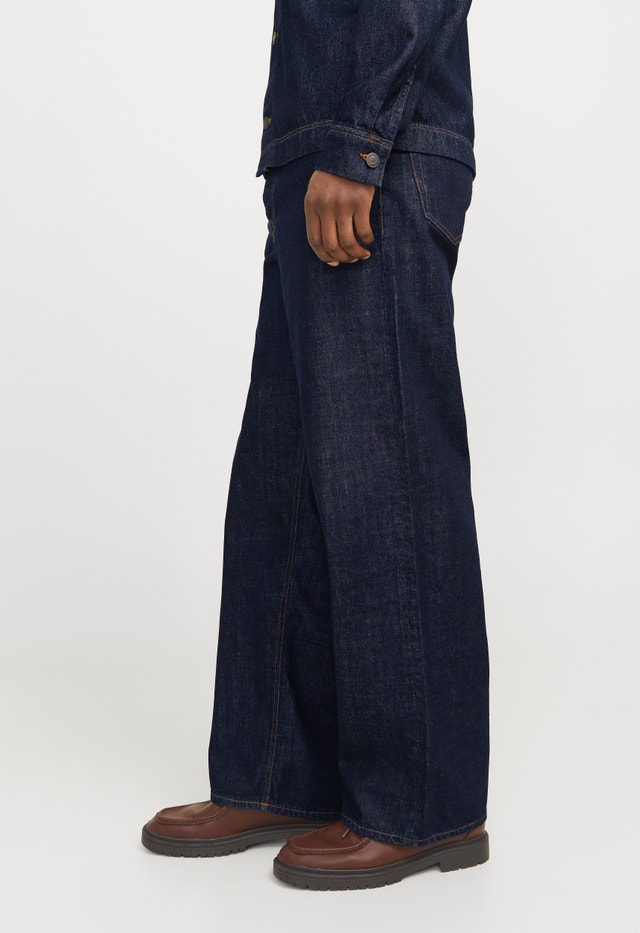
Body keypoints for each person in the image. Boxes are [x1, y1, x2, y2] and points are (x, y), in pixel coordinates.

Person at [141, 0, 490, 890]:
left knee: (387, 478)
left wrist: (358, 142)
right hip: (317, 145)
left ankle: (420, 804)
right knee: (284, 485)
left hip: (373, 145)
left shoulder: (361, 146)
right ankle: (280, 775)